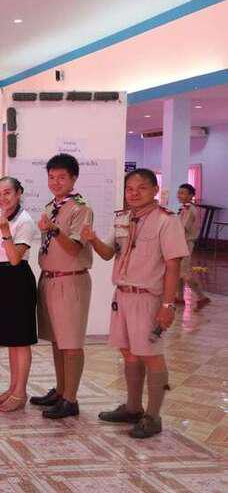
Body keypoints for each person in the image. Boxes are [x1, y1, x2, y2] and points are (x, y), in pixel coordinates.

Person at [83, 168, 187, 439]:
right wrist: (92, 239)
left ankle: (153, 416)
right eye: (130, 188)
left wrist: (168, 305)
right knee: (128, 352)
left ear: (154, 190)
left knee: (151, 354)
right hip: (122, 296)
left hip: (148, 298)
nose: (134, 193)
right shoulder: (123, 218)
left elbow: (173, 265)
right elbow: (108, 254)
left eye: (141, 188)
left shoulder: (167, 221)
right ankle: (132, 407)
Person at [31, 153, 94, 419]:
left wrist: (55, 230)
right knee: (58, 340)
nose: (56, 182)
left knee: (71, 343)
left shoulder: (81, 208)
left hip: (71, 280)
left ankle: (71, 399)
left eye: (62, 177)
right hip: (49, 278)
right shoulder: (51, 207)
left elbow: (74, 248)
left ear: (74, 178)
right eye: (51, 177)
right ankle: (61, 390)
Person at [0, 177, 39, 413]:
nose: (2, 198)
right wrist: (4, 228)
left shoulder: (24, 221)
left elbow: (15, 258)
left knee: (20, 340)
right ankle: (12, 387)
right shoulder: (2, 218)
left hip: (16, 279)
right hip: (0, 278)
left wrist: (6, 232)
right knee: (10, 340)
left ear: (19, 193)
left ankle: (20, 393)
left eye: (7, 193)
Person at [175, 183, 210, 311]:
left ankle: (202, 297)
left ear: (191, 196)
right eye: (179, 192)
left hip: (185, 243)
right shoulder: (184, 208)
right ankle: (179, 297)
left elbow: (183, 228)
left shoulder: (190, 210)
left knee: (184, 273)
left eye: (183, 193)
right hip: (180, 243)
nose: (179, 195)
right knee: (178, 271)